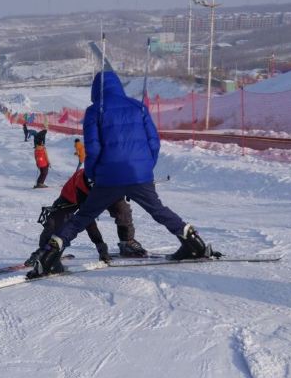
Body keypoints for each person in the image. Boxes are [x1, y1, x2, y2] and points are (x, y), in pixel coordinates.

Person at [29, 69, 215, 277]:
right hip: (140, 175)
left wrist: (93, 174)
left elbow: (93, 148)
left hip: (108, 177)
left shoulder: (94, 111)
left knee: (83, 216)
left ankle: (51, 254)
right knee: (158, 210)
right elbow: (153, 142)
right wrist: (145, 168)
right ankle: (193, 242)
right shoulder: (139, 107)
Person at [24, 168, 146, 267]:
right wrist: (100, 245)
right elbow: (87, 220)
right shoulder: (82, 184)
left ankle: (127, 243)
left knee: (122, 210)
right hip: (70, 198)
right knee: (55, 223)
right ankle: (45, 250)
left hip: (106, 192)